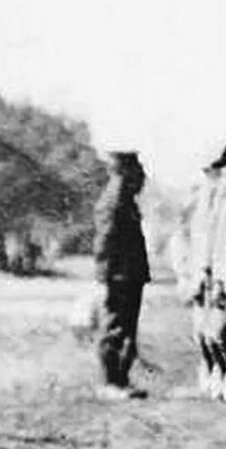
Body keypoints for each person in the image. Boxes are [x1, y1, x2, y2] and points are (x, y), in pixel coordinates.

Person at [94, 150, 151, 400]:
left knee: (125, 327)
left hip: (126, 274)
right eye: (137, 171)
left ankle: (120, 380)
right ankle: (111, 382)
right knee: (116, 327)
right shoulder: (116, 199)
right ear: (125, 170)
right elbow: (105, 241)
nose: (142, 177)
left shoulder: (123, 198)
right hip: (120, 275)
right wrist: (107, 274)